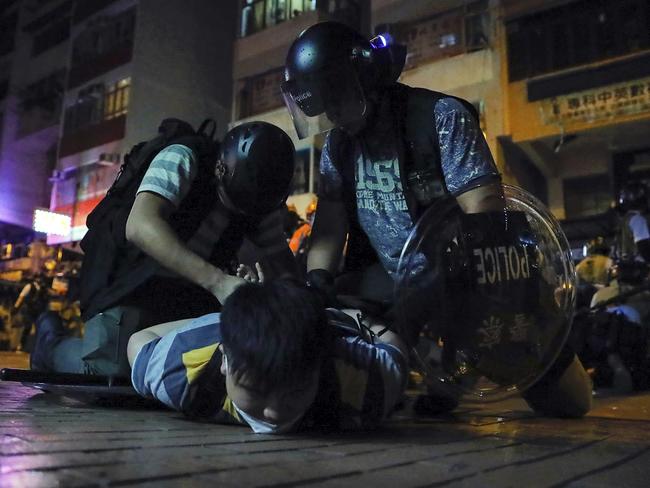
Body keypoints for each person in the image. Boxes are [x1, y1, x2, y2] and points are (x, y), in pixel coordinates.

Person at [281, 21, 592, 417]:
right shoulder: (339, 148)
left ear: (366, 79)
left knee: (569, 404)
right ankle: (425, 371)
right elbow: (328, 228)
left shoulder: (439, 117)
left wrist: (447, 282)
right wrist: (319, 281)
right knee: (326, 320)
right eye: (325, 105)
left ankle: (462, 367)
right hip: (392, 283)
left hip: (467, 279)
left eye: (338, 98)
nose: (335, 115)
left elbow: (486, 213)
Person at [31, 122, 297, 378]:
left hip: (190, 293)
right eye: (232, 203)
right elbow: (140, 224)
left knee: (196, 366)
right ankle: (49, 345)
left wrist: (276, 295)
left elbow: (281, 262)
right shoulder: (183, 157)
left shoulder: (260, 199)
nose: (238, 213)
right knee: (111, 370)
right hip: (132, 283)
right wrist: (219, 282)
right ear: (220, 170)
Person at [127, 278, 408, 433]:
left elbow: (394, 347)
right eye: (256, 390)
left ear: (319, 367)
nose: (274, 412)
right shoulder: (182, 368)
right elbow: (138, 340)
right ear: (225, 360)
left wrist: (368, 325)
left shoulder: (368, 382)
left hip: (339, 323)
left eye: (295, 391)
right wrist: (224, 323)